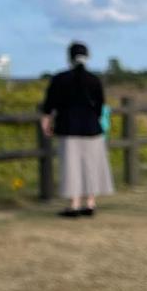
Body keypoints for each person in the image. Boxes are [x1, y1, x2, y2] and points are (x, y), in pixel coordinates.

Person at [41, 42, 113, 218]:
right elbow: (99, 107)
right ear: (87, 57)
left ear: (69, 58)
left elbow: (49, 105)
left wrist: (46, 122)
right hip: (92, 129)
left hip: (68, 128)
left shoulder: (59, 79)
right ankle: (90, 202)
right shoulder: (94, 80)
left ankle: (74, 204)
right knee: (91, 167)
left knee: (71, 167)